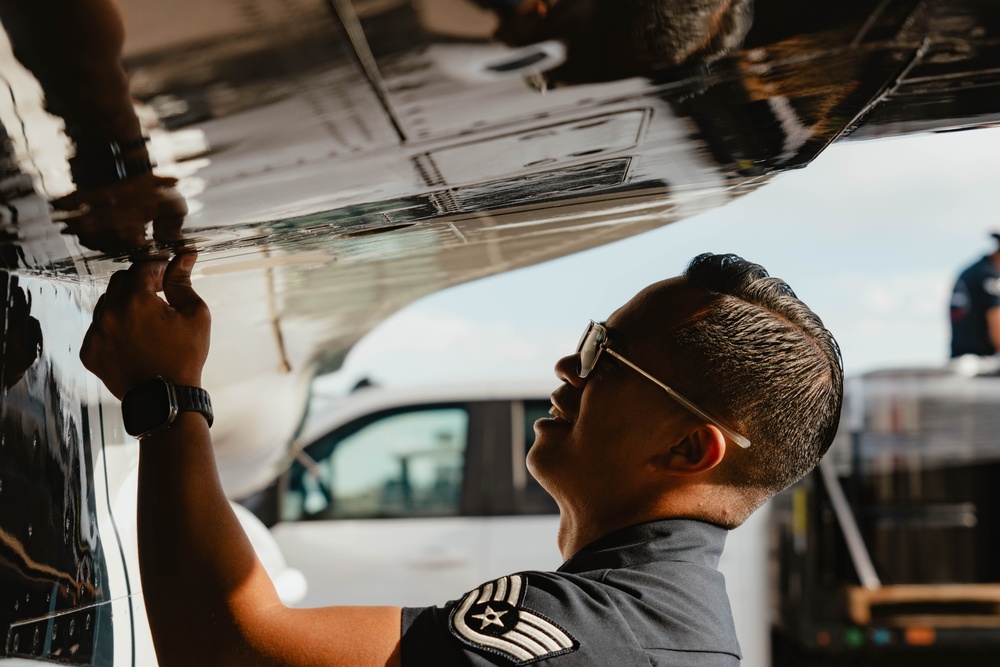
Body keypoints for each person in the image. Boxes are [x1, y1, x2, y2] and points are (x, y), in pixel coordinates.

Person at [80, 251, 843, 666]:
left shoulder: (586, 636)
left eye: (604, 355)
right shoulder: (676, 631)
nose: (567, 368)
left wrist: (168, 395)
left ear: (688, 447)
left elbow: (230, 652)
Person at [950, 233, 1000, 358]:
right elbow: (996, 323)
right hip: (979, 359)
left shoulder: (974, 271)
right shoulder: (988, 277)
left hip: (962, 356)